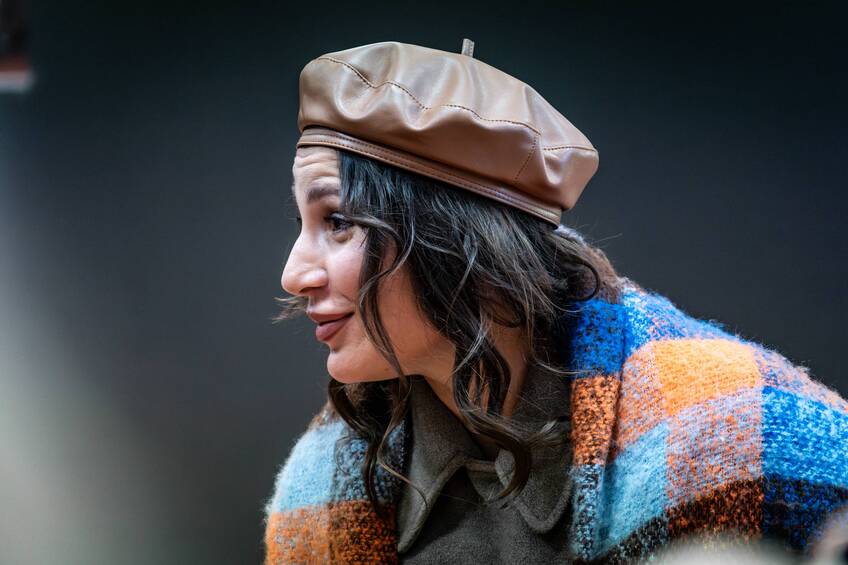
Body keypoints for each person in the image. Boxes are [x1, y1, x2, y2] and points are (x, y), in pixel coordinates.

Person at [264, 40, 848, 564]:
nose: (293, 275)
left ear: (459, 238)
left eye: (337, 220)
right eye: (303, 223)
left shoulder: (734, 433)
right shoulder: (319, 491)